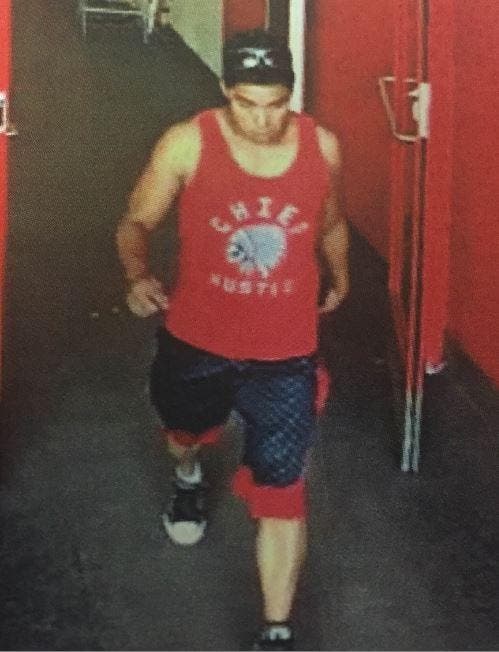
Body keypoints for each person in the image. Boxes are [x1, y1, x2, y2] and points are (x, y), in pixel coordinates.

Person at [116, 29, 349, 651]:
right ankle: (188, 477)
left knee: (284, 491)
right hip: (198, 342)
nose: (263, 119)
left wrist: (341, 270)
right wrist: (137, 275)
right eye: (248, 104)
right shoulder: (188, 142)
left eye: (276, 104)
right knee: (182, 432)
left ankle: (276, 631)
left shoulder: (321, 145)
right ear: (225, 90)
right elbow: (136, 220)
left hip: (286, 353)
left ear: (291, 94)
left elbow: (330, 220)